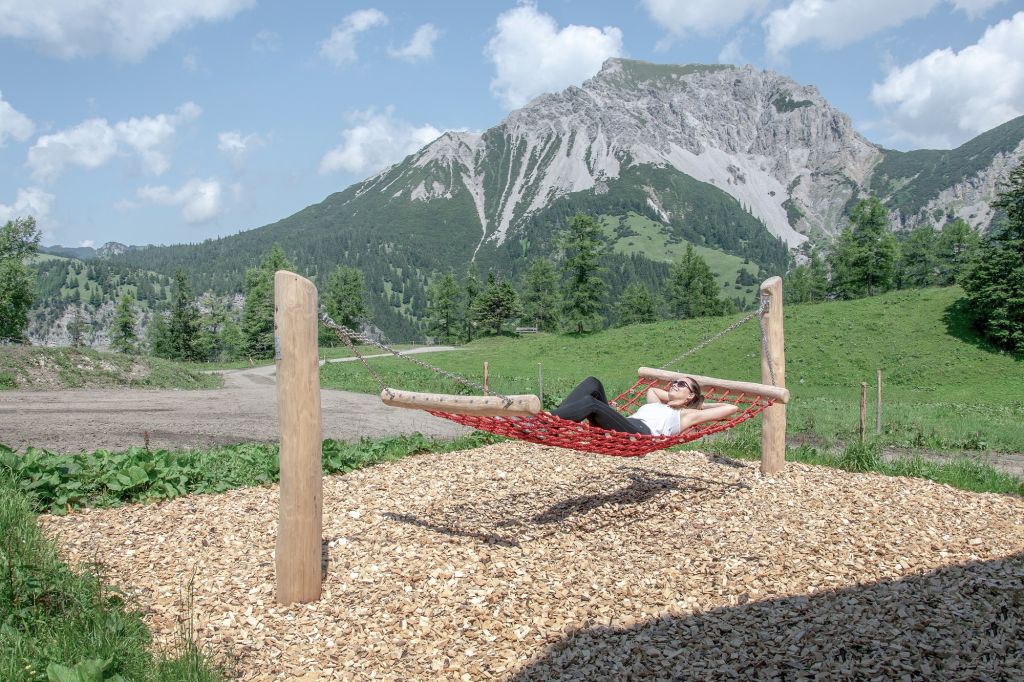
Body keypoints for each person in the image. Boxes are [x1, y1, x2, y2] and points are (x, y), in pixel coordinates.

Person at [552, 375, 739, 436]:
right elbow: (654, 391)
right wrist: (677, 398)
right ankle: (550, 420)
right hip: (624, 424)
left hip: (638, 434)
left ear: (691, 395)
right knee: (593, 383)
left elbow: (732, 408)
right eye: (674, 382)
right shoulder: (658, 404)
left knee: (590, 403)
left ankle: (549, 423)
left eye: (681, 384)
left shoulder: (686, 415)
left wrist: (696, 404)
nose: (675, 384)